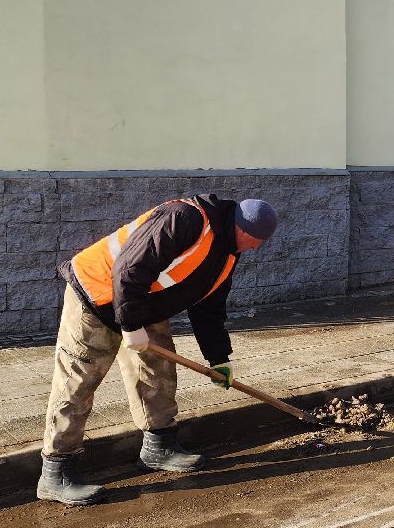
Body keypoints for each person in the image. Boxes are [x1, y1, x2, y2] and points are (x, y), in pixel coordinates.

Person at [37, 196, 278, 505]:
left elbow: (209, 309)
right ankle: (56, 473)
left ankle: (159, 447)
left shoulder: (228, 252)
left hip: (139, 304)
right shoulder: (185, 219)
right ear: (239, 226)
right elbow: (129, 267)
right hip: (96, 296)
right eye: (255, 240)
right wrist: (130, 325)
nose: (256, 248)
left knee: (157, 371)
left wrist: (219, 359)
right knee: (78, 381)